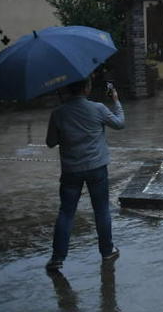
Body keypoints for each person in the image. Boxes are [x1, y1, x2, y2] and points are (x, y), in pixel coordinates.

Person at [45, 74, 124, 270]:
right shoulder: (98, 108)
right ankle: (107, 250)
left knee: (66, 212)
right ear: (86, 88)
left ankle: (57, 257)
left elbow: (50, 142)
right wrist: (116, 101)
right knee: (101, 210)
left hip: (71, 170)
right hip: (97, 168)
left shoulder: (58, 113)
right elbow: (119, 123)